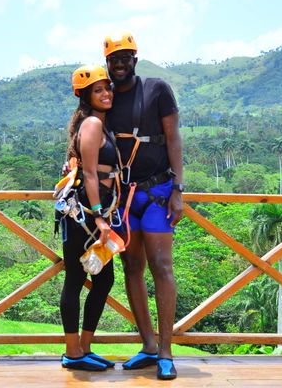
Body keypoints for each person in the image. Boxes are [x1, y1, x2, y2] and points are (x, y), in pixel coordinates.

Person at [103, 32, 184, 380]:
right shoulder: (103, 96)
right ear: (107, 63)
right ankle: (148, 345)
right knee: (132, 267)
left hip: (157, 193)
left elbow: (173, 137)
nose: (119, 64)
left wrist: (179, 188)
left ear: (135, 59)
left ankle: (166, 351)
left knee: (161, 266)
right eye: (113, 59)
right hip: (122, 197)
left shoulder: (157, 89)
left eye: (125, 58)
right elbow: (87, 131)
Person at [56, 65, 121, 372]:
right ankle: (73, 352)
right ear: (85, 96)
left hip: (95, 209)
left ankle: (84, 347)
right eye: (98, 90)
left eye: (107, 88)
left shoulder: (97, 123)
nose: (106, 93)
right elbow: (91, 172)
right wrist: (99, 217)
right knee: (76, 278)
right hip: (85, 212)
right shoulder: (93, 123)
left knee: (103, 278)